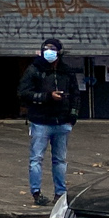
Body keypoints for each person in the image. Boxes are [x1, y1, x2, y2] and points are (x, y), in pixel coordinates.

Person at [21, 36, 78, 205]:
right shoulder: (34, 70)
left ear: (59, 53)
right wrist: (47, 97)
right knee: (36, 158)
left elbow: (75, 95)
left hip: (62, 122)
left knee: (60, 160)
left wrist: (72, 117)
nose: (49, 52)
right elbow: (24, 93)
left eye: (52, 49)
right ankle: (37, 193)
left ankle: (60, 193)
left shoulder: (66, 71)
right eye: (46, 49)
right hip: (40, 122)